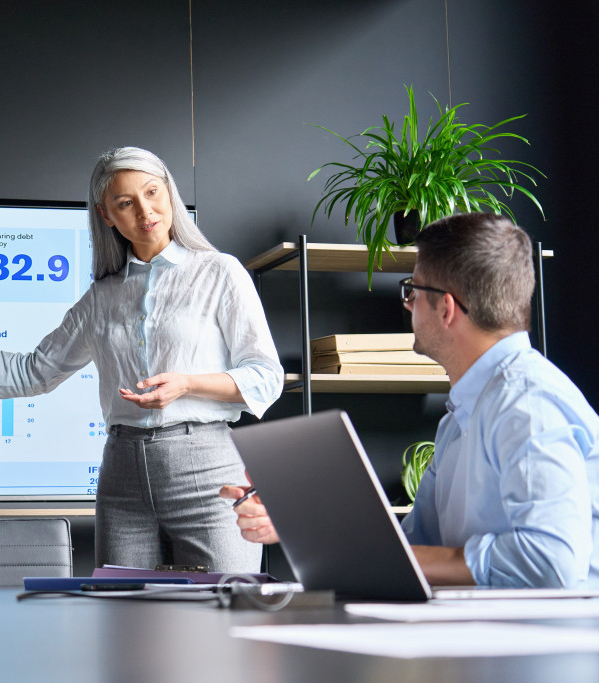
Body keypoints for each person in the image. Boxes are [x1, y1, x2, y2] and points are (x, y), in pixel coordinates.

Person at [0, 147, 284, 571]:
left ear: (169, 191)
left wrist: (187, 384)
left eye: (153, 192)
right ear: (106, 215)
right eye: (125, 203)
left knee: (221, 617)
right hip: (122, 477)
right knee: (123, 619)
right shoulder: (100, 298)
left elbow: (266, 377)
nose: (145, 211)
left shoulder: (220, 273)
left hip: (207, 470)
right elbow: (32, 373)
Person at [222, 212, 599, 588]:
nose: (407, 304)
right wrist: (299, 521)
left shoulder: (527, 404)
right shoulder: (461, 417)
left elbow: (550, 562)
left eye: (412, 290)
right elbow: (416, 546)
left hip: (549, 637)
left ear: (447, 308)